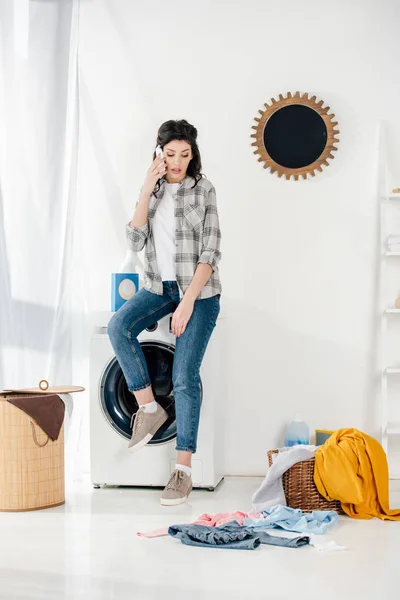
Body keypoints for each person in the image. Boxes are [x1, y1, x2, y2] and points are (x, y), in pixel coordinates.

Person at [108, 119, 222, 506]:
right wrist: (144, 189)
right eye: (170, 154)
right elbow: (135, 239)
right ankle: (149, 407)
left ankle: (183, 470)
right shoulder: (153, 191)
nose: (178, 162)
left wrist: (188, 302)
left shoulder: (203, 189)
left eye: (185, 155)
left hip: (200, 293)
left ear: (194, 154)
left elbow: (211, 251)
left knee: (184, 375)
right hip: (158, 288)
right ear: (159, 154)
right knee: (119, 326)